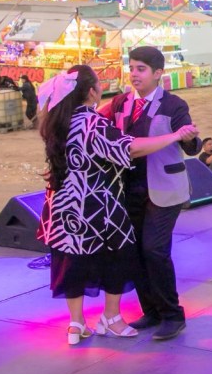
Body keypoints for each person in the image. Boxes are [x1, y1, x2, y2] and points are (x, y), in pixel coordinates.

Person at [36, 65, 197, 346]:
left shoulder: (57, 120)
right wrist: (174, 136)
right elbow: (129, 148)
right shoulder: (92, 122)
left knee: (72, 261)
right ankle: (111, 318)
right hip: (97, 204)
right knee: (118, 258)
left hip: (63, 207)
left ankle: (76, 323)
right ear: (91, 91)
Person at [101, 46, 201, 341]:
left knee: (154, 250)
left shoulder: (174, 104)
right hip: (127, 188)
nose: (134, 74)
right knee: (134, 251)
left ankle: (172, 315)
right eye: (131, 68)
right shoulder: (120, 102)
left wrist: (191, 139)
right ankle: (152, 311)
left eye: (141, 69)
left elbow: (191, 147)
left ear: (158, 74)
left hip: (165, 189)